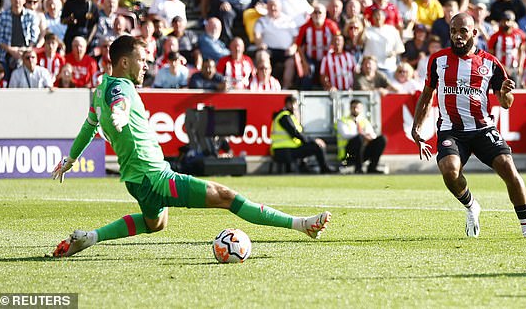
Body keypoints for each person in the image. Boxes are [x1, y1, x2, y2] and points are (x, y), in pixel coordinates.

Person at [50, 36, 330, 257]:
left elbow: (89, 126)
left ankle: (91, 237)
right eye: (142, 60)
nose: (146, 65)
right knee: (227, 197)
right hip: (156, 178)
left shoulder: (100, 89)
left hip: (136, 181)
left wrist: (71, 158)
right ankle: (301, 224)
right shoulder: (120, 89)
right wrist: (120, 113)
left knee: (155, 224)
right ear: (124, 62)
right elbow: (118, 101)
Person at [410, 12, 526, 239]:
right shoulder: (438, 60)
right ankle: (471, 206)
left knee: (508, 168)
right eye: (453, 31)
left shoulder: (490, 63)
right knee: (450, 171)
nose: (458, 36)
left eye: (463, 31)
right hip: (451, 129)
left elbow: (506, 103)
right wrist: (417, 128)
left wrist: (505, 93)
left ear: (474, 32)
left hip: (482, 128)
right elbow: (427, 95)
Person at [270, 95, 335, 174]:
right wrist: (314, 141)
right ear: (288, 104)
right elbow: (295, 133)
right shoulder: (284, 117)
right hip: (285, 150)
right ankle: (324, 169)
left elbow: (299, 133)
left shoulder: (286, 116)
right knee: (318, 146)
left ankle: (304, 166)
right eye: (295, 105)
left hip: (285, 149)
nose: (296, 108)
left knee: (310, 145)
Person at [336, 99, 387, 174]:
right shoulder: (342, 121)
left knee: (382, 139)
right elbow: (345, 135)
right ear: (350, 108)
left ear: (361, 109)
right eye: (353, 108)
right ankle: (358, 168)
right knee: (359, 138)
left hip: (363, 150)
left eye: (358, 108)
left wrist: (368, 137)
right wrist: (363, 135)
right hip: (349, 153)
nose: (355, 110)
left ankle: (372, 167)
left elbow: (372, 134)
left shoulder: (364, 120)